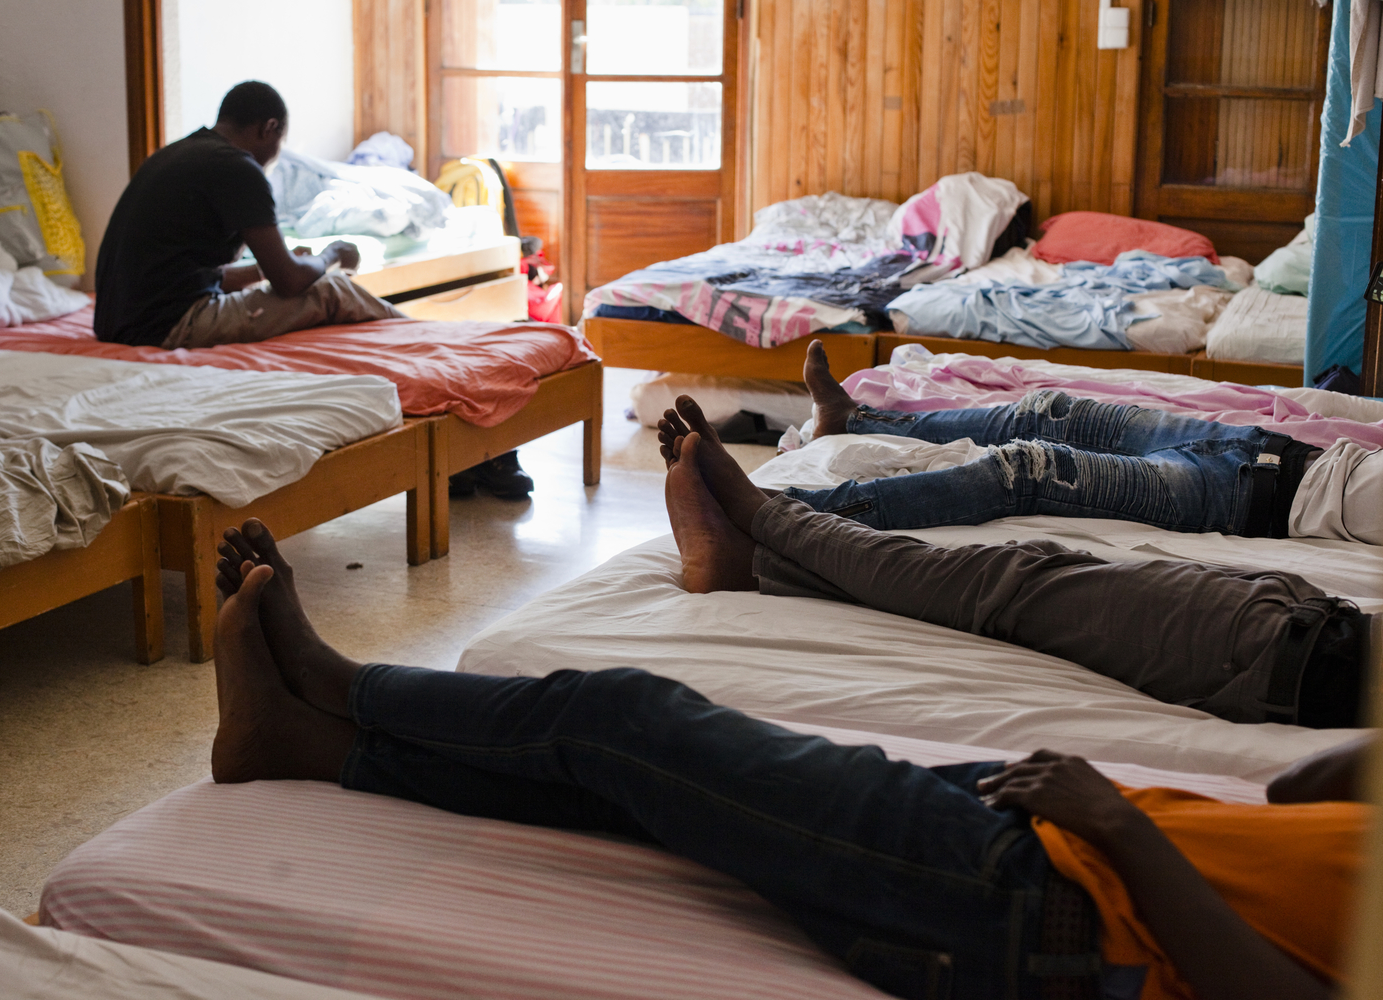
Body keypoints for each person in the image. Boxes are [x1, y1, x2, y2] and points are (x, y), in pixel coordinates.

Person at [208, 513, 1370, 1000]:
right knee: (643, 791)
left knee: (631, 721)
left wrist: (1118, 825)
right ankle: (306, 744)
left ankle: (336, 684)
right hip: (1056, 858)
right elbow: (1299, 792)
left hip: (1046, 912)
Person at [655, 390, 1369, 727]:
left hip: (1296, 639)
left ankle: (767, 521)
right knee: (1060, 415)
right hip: (1286, 498)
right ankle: (842, 441)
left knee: (1008, 569)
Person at [680, 341, 1380, 545]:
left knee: (1029, 469)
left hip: (1254, 498)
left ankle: (783, 514)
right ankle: (855, 421)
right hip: (1271, 448)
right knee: (1056, 410)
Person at [94, 80, 405, 349]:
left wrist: (263, 269)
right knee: (332, 290)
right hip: (167, 327)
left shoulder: (172, 155)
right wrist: (332, 255)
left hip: (116, 324)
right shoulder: (238, 168)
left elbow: (184, 275)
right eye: (279, 144)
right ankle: (421, 336)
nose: (273, 159)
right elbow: (289, 281)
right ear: (269, 128)